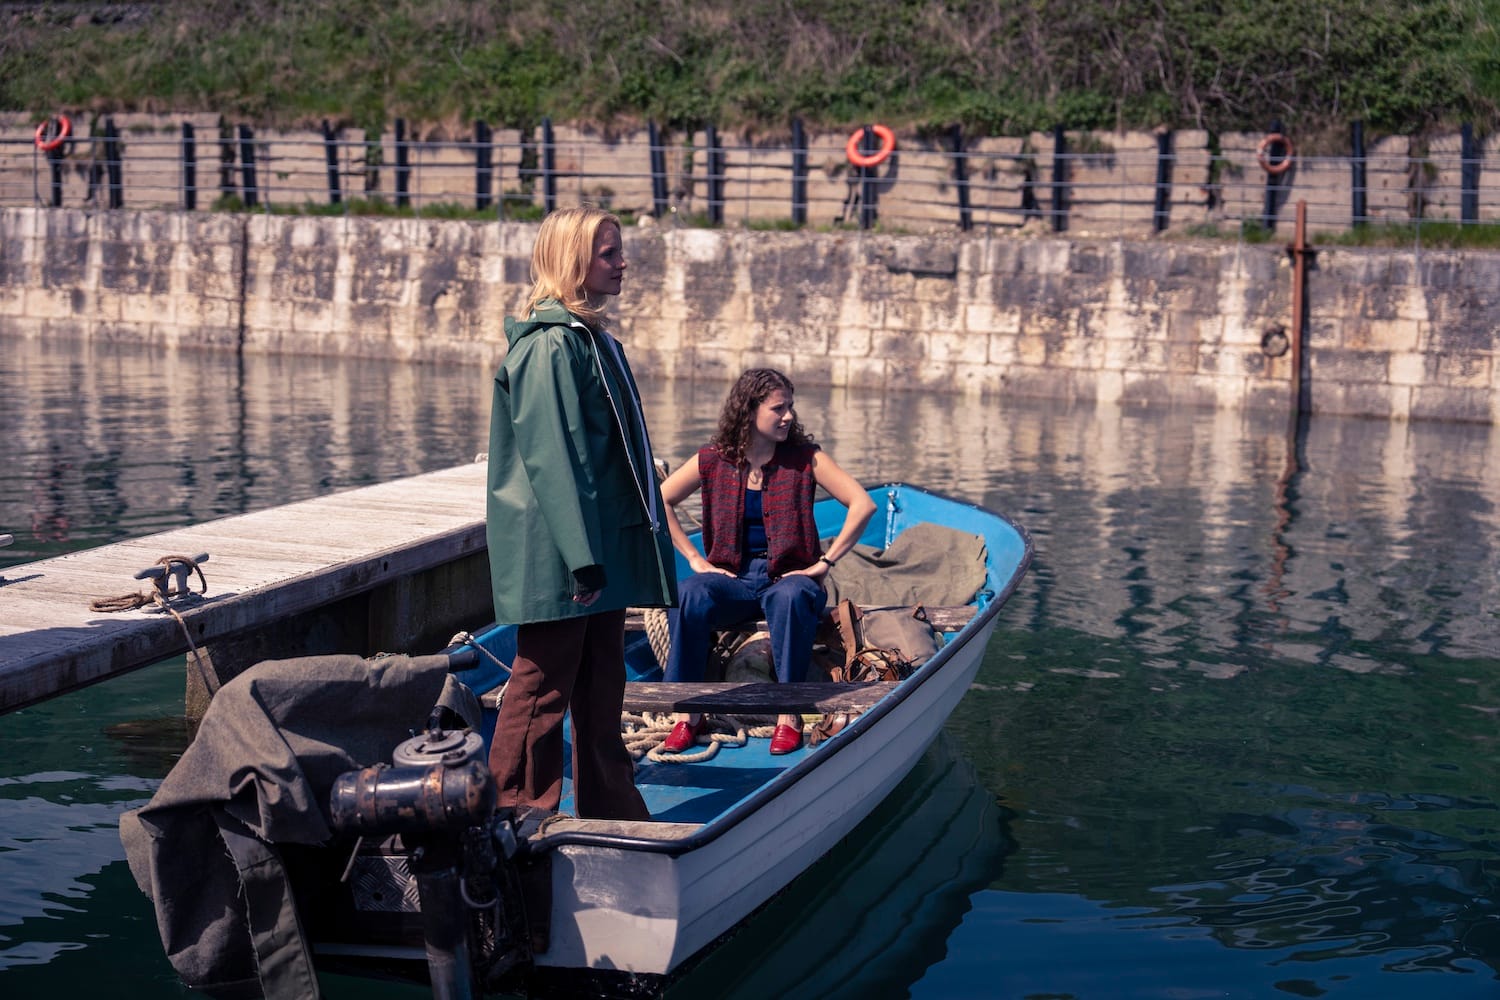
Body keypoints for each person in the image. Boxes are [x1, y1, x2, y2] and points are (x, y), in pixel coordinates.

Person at [485, 206, 676, 821]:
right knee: (542, 686)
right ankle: (513, 813)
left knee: (601, 687)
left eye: (619, 251)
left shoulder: (589, 341)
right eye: (609, 254)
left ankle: (610, 807)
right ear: (574, 261)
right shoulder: (551, 348)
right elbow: (552, 459)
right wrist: (582, 558)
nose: (623, 263)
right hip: (565, 553)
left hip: (598, 548)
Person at [658, 368, 876, 755]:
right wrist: (693, 558)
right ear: (749, 410)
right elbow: (662, 500)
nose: (789, 416)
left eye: (790, 406)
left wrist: (825, 562)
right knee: (689, 594)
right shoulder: (713, 459)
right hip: (734, 578)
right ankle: (688, 713)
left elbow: (862, 504)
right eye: (779, 408)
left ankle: (787, 713)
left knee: (789, 597)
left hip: (790, 577)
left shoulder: (806, 458)